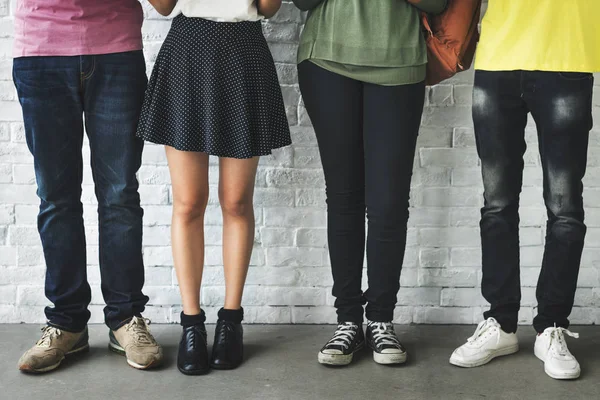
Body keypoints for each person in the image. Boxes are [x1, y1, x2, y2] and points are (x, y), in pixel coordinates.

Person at [449, 0, 600, 380]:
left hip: (568, 57)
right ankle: (500, 323)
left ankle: (551, 324)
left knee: (565, 209)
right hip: (499, 57)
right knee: (497, 205)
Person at [139, 0, 290, 375]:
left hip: (243, 49)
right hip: (188, 49)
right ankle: (192, 323)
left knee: (236, 202)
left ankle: (231, 320)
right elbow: (162, 6)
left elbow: (269, 8)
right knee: (188, 203)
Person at [293, 0, 447, 366]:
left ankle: (380, 318)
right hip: (326, 59)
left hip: (400, 62)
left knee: (389, 202)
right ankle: (347, 320)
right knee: (344, 197)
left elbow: (438, 3)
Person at [13, 0, 163, 373]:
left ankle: (126, 319)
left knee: (119, 196)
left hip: (116, 48)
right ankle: (67, 323)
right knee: (56, 198)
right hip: (41, 50)